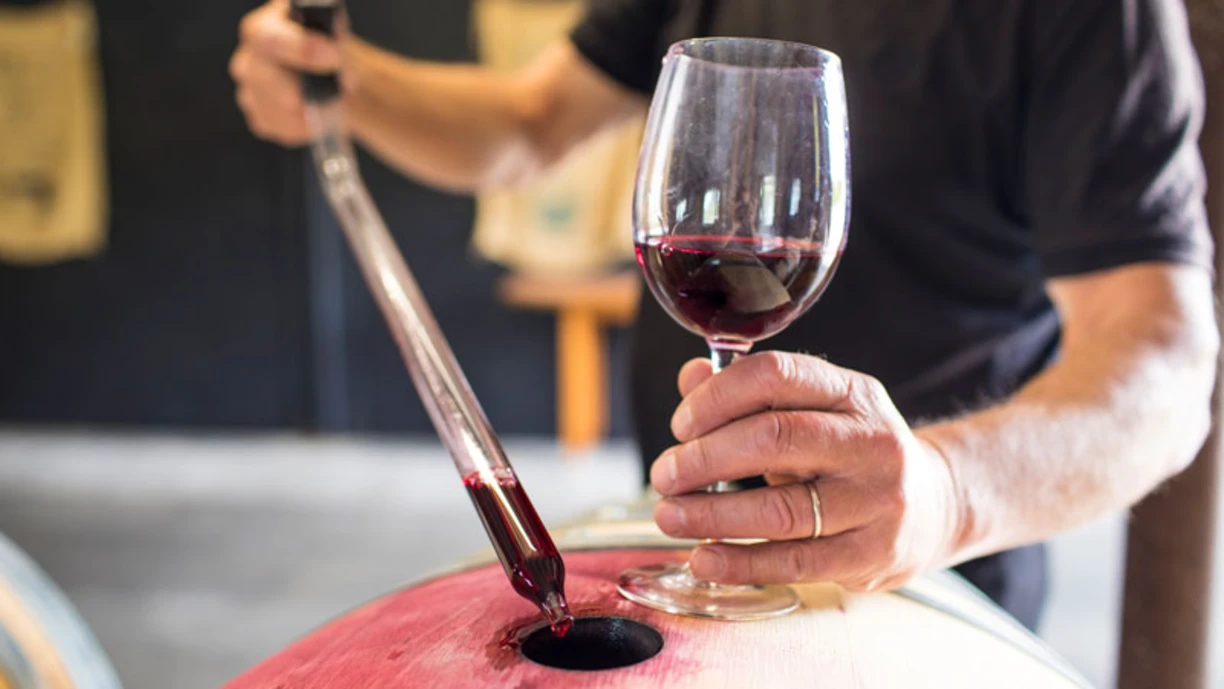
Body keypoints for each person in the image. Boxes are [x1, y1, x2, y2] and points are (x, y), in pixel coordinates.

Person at [229, 0, 1218, 630]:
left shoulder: (1101, 17)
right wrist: (345, 85)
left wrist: (947, 489)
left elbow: (1166, 366)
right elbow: (530, 125)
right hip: (684, 577)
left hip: (930, 597)